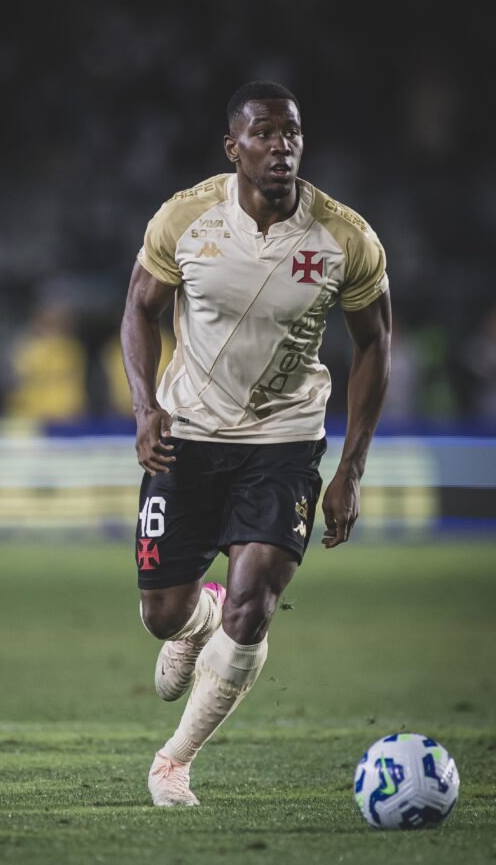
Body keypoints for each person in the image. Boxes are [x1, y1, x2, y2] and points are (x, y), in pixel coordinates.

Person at [120, 80, 392, 807]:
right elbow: (139, 310)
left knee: (257, 602)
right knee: (161, 615)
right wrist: (145, 408)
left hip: (285, 439)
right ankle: (197, 618)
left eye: (291, 133)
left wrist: (351, 468)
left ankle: (174, 762)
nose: (282, 147)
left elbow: (375, 344)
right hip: (188, 436)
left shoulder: (346, 238)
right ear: (232, 147)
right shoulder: (186, 218)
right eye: (265, 134)